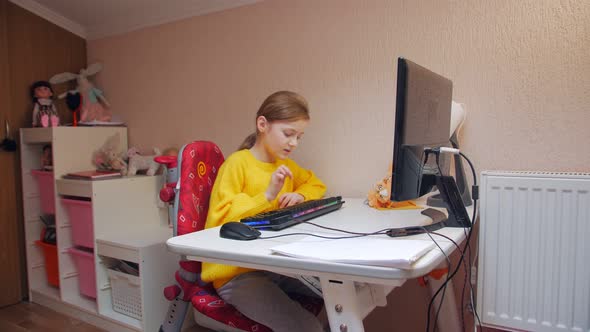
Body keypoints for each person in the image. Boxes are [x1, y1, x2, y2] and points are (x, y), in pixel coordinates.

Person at [202, 91, 327, 332]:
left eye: (299, 137)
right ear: (262, 124)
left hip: (273, 265)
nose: (294, 143)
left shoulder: (285, 165)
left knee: (344, 287)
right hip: (237, 273)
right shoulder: (237, 164)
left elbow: (315, 183)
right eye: (288, 134)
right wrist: (267, 196)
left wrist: (300, 194)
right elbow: (221, 218)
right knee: (308, 327)